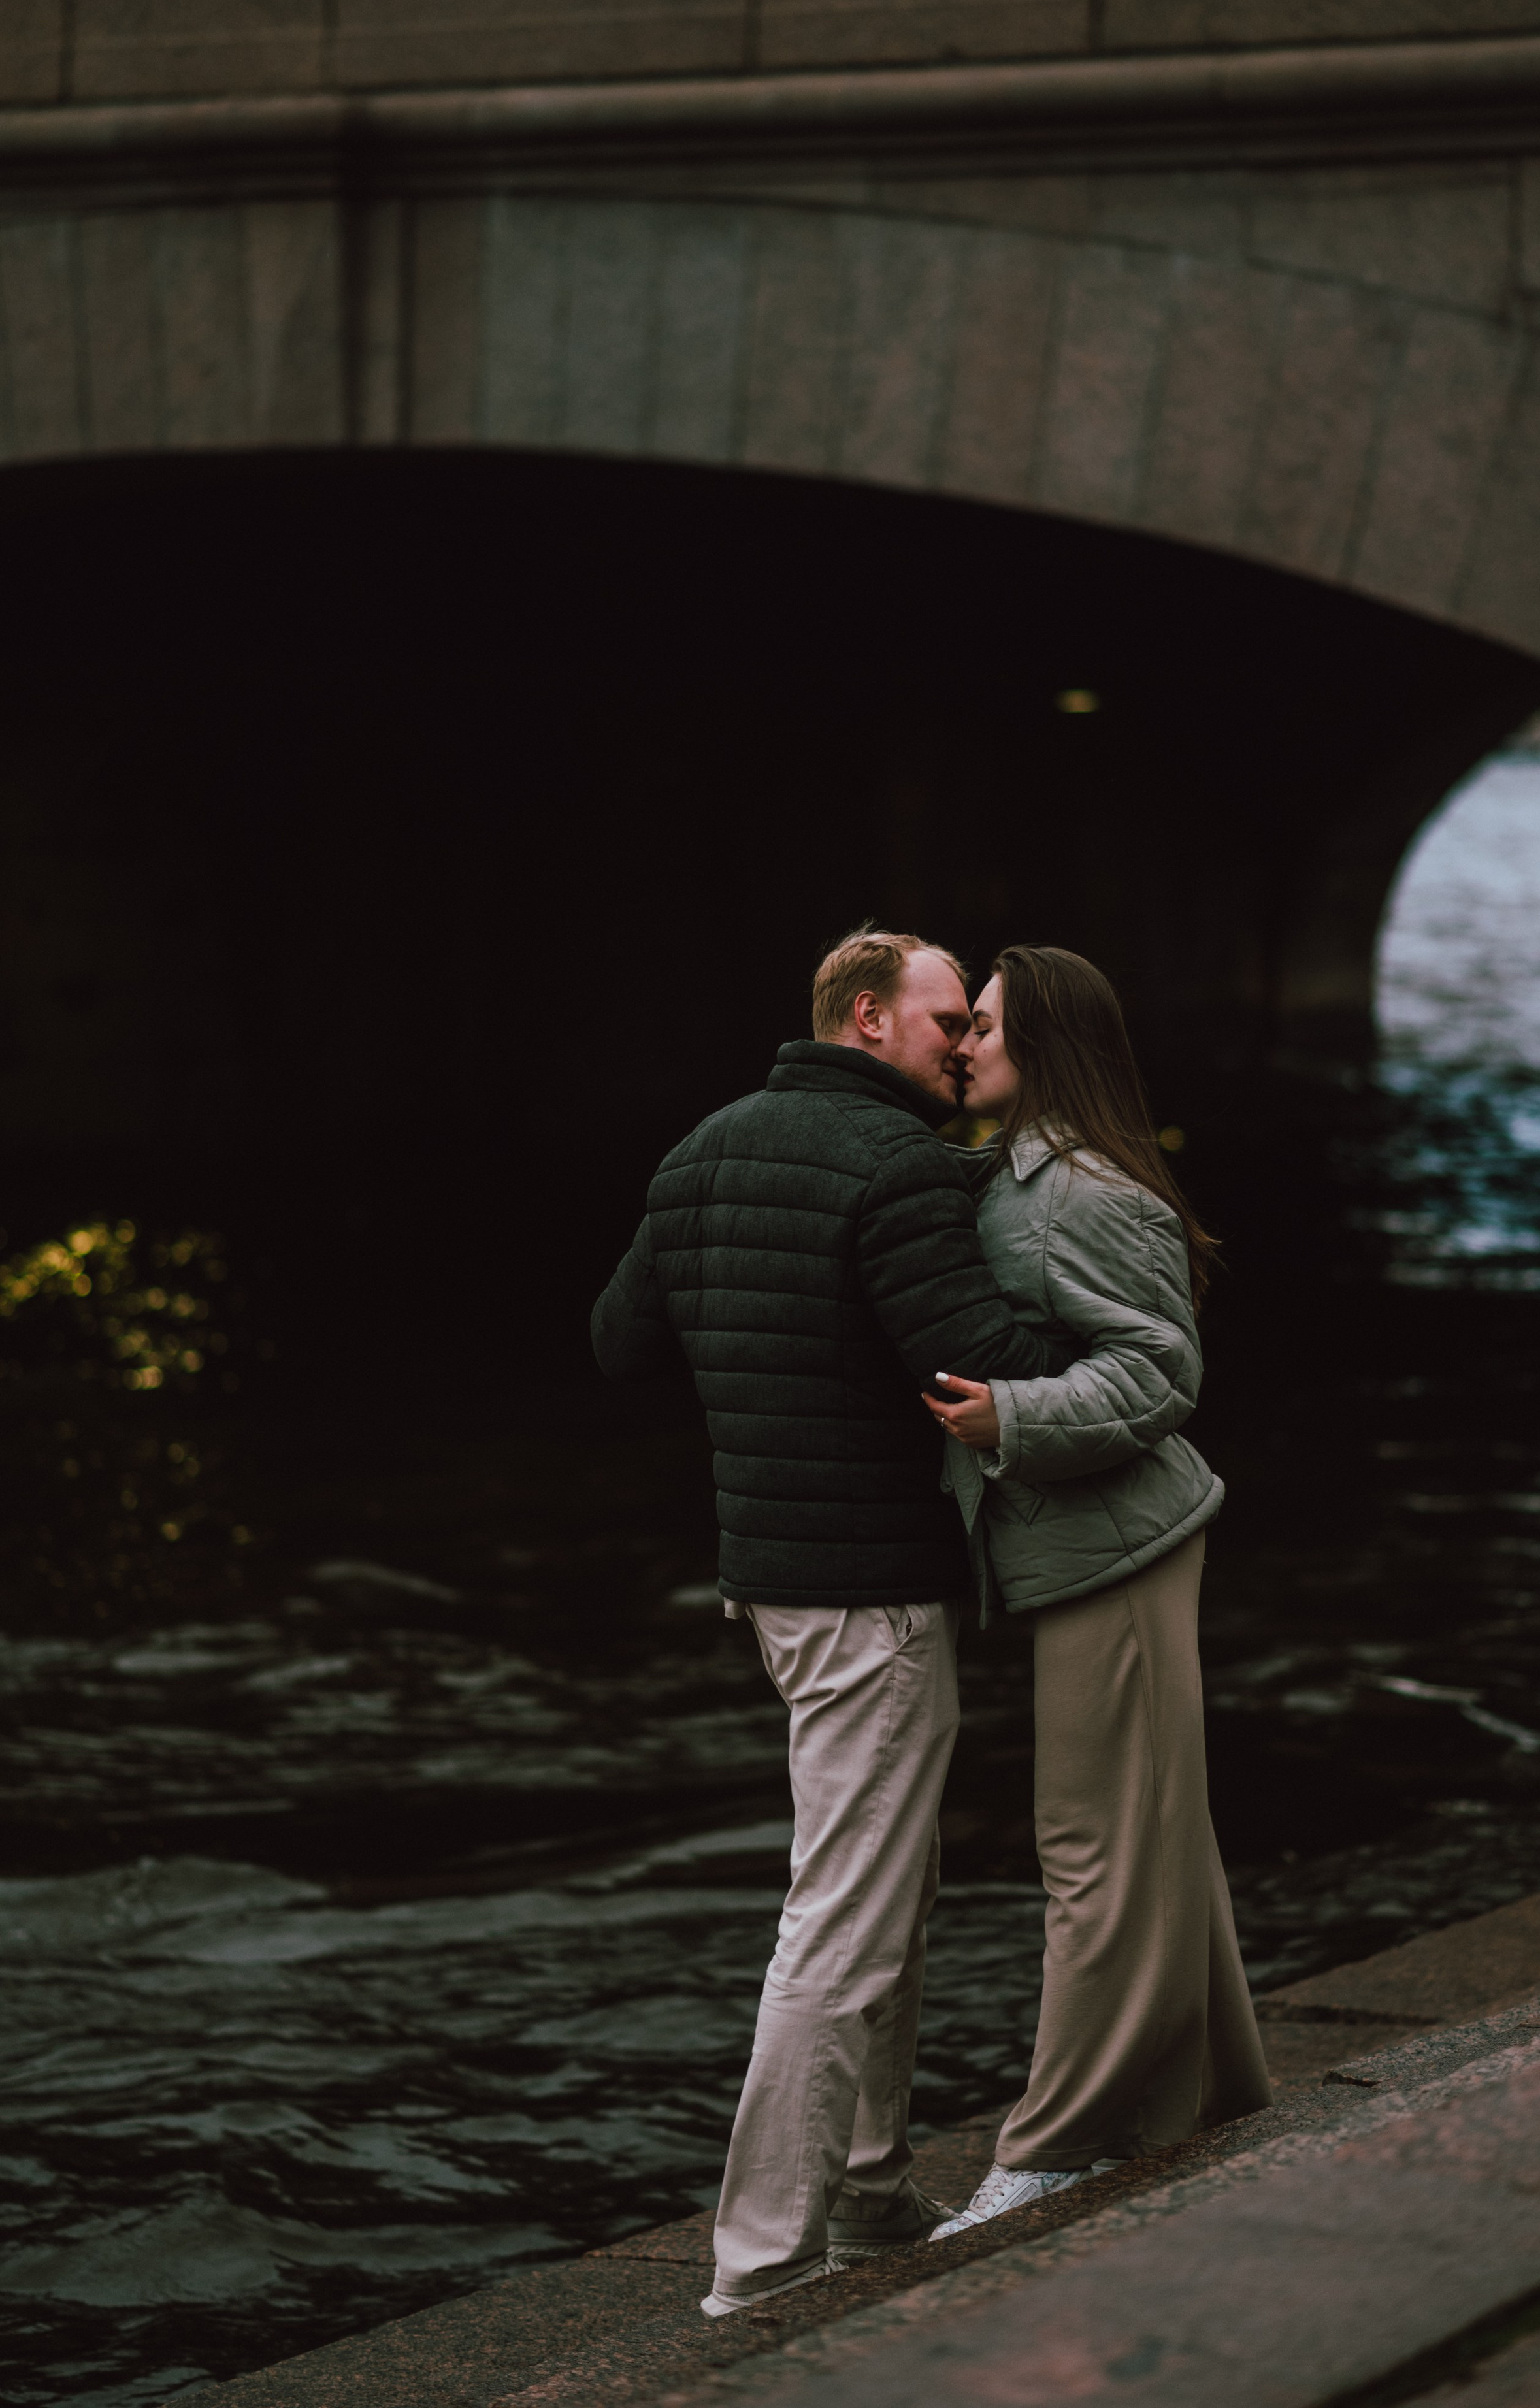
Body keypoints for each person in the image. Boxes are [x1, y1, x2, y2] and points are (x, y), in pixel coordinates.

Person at [591, 926, 1067, 2317]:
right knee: (846, 1914)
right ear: (867, 1019)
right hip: (868, 1583)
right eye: (940, 1016)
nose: (961, 1040)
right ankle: (761, 2266)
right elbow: (975, 1348)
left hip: (773, 1574)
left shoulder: (701, 1151)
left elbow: (619, 1342)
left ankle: (866, 2195)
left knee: (886, 1886)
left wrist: (763, 1359)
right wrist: (1112, 1356)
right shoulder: (897, 1166)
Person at [922, 944, 1271, 2238]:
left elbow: (1158, 1372)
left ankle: (1055, 2148)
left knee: (1093, 1845)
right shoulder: (1020, 1169)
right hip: (1089, 1546)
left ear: (1050, 1041)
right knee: (1149, 1826)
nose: (963, 1044)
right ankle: (1218, 2085)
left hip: (1116, 1547)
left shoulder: (1077, 1189)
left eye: (988, 1025)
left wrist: (1008, 1414)